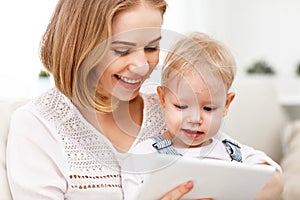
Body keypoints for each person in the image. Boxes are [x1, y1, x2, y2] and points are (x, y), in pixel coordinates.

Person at [6, 0, 196, 199]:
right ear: (80, 47)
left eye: (151, 47)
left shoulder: (173, 112)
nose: (141, 66)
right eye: (122, 50)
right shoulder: (39, 126)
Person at [121, 32, 283, 200]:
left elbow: (273, 177)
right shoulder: (144, 155)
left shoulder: (231, 150)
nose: (194, 119)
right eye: (181, 106)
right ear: (163, 99)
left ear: (226, 104)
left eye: (208, 108)